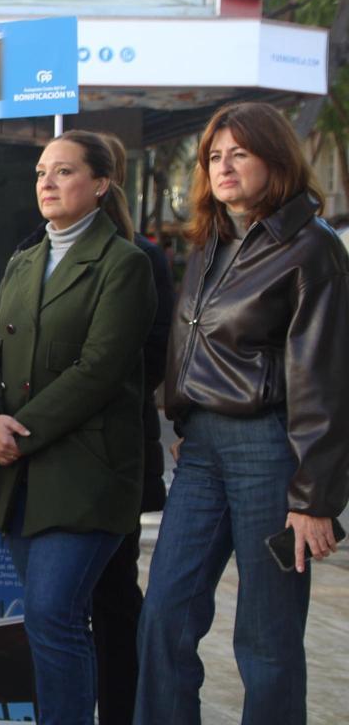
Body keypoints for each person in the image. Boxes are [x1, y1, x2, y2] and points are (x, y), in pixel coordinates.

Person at [136, 102, 349, 725]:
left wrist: (313, 498)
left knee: (266, 635)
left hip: (271, 450)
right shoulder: (211, 243)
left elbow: (326, 380)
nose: (222, 167)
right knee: (165, 614)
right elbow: (193, 343)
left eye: (239, 154)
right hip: (202, 450)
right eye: (214, 156)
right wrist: (187, 417)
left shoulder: (312, 250)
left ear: (275, 160)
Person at [0, 130, 155, 725]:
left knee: (55, 615)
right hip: (21, 472)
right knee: (47, 620)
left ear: (101, 184)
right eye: (41, 173)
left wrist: (15, 428)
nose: (46, 183)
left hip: (86, 473)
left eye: (64, 172)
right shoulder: (23, 260)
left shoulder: (124, 263)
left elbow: (100, 369)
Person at [83, 134, 174, 725]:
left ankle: (119, 711)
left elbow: (149, 355)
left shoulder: (138, 258)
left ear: (100, 182)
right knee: (87, 600)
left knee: (112, 594)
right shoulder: (32, 250)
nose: (49, 183)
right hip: (54, 455)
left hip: (113, 452)